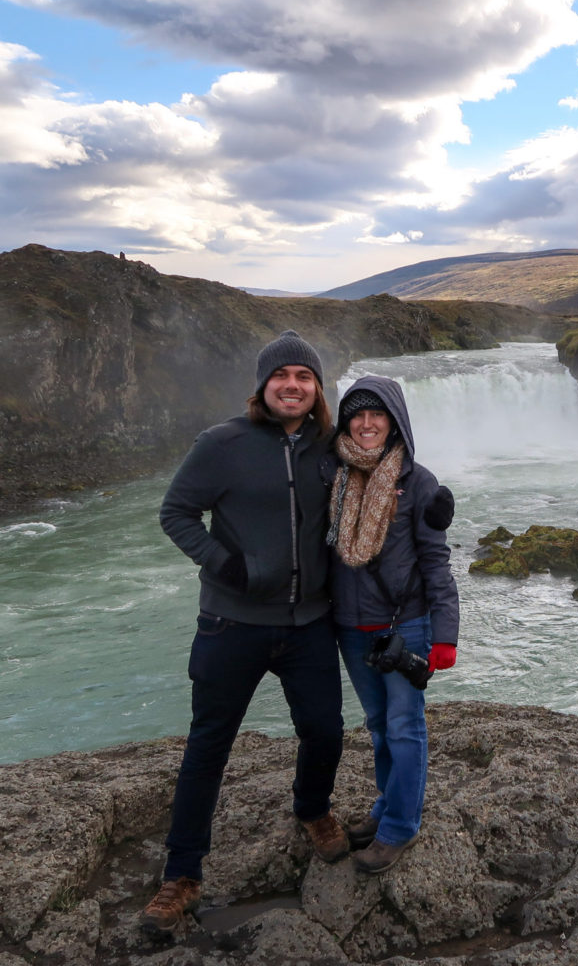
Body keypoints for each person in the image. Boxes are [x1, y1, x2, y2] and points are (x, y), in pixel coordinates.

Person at [141, 330, 347, 935]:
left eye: (304, 377)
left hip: (309, 622)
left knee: (325, 730)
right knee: (208, 747)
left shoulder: (330, 447)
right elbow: (175, 513)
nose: (293, 385)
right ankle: (181, 875)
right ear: (263, 386)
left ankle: (312, 811)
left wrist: (429, 499)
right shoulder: (222, 443)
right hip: (231, 623)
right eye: (281, 376)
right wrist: (224, 563)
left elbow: (388, 470)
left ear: (316, 389)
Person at [327, 375, 459, 874]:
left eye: (376, 414)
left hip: (407, 626)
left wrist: (445, 635)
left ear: (394, 420)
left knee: (405, 727)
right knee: (380, 726)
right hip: (349, 626)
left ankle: (400, 827)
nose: (366, 423)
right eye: (357, 414)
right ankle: (386, 806)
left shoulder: (419, 483)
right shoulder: (333, 475)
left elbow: (436, 562)